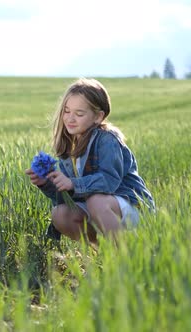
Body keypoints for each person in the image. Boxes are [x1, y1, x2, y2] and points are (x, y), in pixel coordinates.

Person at [25, 78, 154, 242]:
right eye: (66, 111)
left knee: (95, 202)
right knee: (60, 213)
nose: (70, 119)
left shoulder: (107, 140)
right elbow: (70, 197)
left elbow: (109, 182)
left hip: (132, 207)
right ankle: (103, 252)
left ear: (98, 117)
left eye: (79, 114)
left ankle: (125, 256)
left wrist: (72, 183)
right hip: (100, 210)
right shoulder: (69, 148)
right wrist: (46, 184)